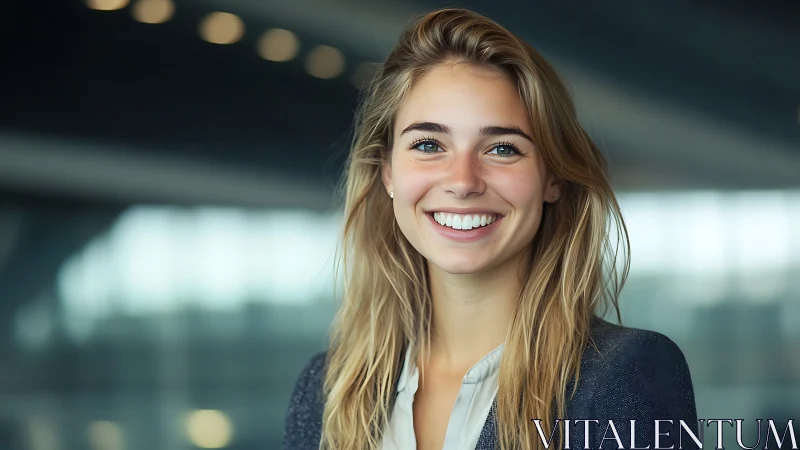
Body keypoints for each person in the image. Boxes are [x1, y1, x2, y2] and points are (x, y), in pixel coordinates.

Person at [283, 8, 698, 450]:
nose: (463, 181)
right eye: (428, 144)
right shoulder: (327, 391)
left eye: (502, 148)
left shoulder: (623, 374)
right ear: (386, 171)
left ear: (553, 178)